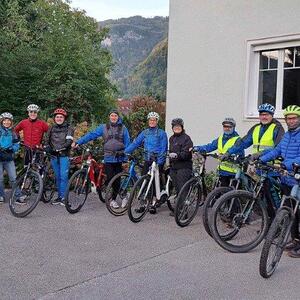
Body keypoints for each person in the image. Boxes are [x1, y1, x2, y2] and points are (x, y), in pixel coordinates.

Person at [259, 105, 300, 258]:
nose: (291, 121)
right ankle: (296, 239)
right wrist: (261, 160)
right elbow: (277, 150)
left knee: (299, 212)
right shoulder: (287, 135)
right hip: (287, 178)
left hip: (297, 178)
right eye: (288, 118)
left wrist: (286, 164)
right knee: (291, 211)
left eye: (294, 118)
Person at [74, 110, 130, 209]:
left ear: (118, 117)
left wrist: (126, 156)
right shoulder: (103, 127)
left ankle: (115, 198)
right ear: (109, 117)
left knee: (116, 179)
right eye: (112, 115)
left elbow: (127, 142)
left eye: (115, 116)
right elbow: (92, 134)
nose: (113, 117)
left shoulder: (123, 128)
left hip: (119, 157)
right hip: (108, 157)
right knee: (109, 178)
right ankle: (112, 198)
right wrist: (79, 141)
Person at [125, 112, 168, 214]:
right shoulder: (145, 133)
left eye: (154, 120)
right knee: (144, 181)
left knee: (154, 182)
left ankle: (153, 204)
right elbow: (135, 143)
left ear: (157, 121)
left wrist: (159, 162)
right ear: (148, 121)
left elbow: (164, 148)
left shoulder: (162, 133)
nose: (152, 121)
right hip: (148, 160)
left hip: (158, 160)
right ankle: (144, 204)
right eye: (150, 120)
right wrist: (125, 152)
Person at [193, 117, 244, 186]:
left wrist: (230, 156)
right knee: (220, 194)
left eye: (229, 127)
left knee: (231, 195)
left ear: (233, 127)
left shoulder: (237, 140)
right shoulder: (220, 139)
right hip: (222, 172)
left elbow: (240, 155)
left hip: (233, 174)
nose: (227, 128)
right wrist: (197, 148)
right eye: (225, 126)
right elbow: (209, 147)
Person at [44, 108, 74, 206]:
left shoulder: (69, 128)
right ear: (54, 118)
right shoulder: (51, 128)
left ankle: (64, 198)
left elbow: (69, 142)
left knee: (64, 177)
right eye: (57, 117)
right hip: (53, 156)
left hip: (64, 155)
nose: (59, 118)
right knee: (57, 177)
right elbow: (46, 140)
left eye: (61, 117)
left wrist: (60, 148)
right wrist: (47, 147)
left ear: (64, 118)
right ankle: (59, 197)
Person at [168, 118, 193, 216]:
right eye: (175, 127)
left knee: (182, 189)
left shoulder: (186, 138)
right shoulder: (171, 138)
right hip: (174, 167)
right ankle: (179, 208)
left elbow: (187, 153)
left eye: (178, 127)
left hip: (184, 167)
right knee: (178, 189)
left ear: (182, 127)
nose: (177, 128)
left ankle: (184, 212)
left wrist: (177, 155)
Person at [0, 112, 20, 203]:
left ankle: (18, 196)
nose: (7, 122)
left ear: (11, 122)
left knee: (13, 178)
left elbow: (17, 144)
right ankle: (1, 195)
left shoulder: (13, 132)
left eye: (8, 120)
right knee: (0, 179)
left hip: (9, 158)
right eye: (5, 120)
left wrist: (12, 149)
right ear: (2, 121)